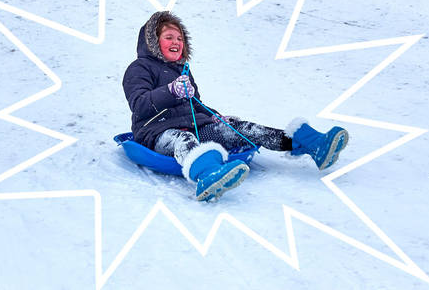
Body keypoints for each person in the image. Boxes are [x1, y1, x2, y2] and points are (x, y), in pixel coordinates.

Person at [123, 12, 350, 202]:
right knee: (183, 141)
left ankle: (309, 144)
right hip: (157, 133)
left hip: (194, 126)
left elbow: (194, 104)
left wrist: (213, 116)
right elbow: (139, 104)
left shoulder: (182, 70)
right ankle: (208, 175)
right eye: (169, 37)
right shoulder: (139, 68)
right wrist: (170, 91)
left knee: (238, 128)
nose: (176, 42)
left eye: (180, 38)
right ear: (152, 41)